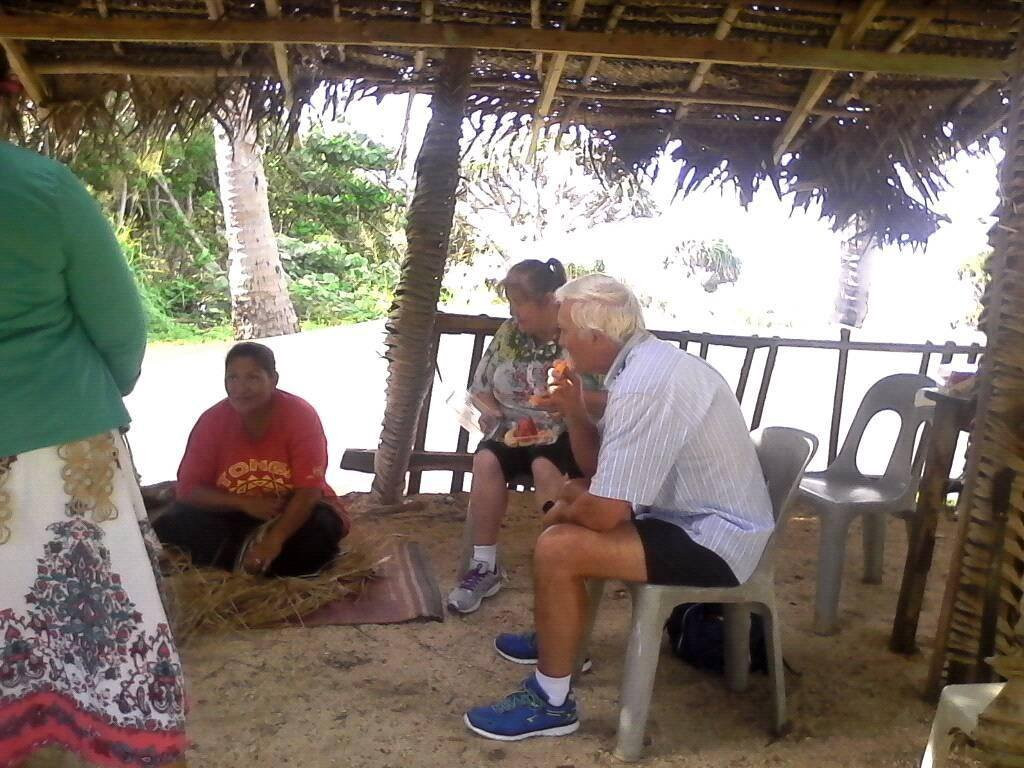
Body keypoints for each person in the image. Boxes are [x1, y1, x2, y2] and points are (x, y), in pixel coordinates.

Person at [464, 274, 773, 741]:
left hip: (715, 538)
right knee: (572, 517)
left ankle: (550, 700)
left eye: (566, 331)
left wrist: (562, 504)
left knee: (560, 547)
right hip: (692, 519)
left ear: (594, 335)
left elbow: (607, 514)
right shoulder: (641, 367)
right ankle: (559, 637)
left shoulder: (646, 384)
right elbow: (598, 466)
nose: (560, 340)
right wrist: (573, 410)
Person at [0, 132, 187, 763]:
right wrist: (100, 399)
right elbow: (118, 324)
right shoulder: (41, 185)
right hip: (64, 442)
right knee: (101, 617)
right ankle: (111, 735)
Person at [447, 259, 605, 614]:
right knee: (487, 458)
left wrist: (568, 402)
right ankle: (484, 566)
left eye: (521, 304)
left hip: (563, 432)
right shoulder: (509, 334)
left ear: (550, 301)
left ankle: (559, 565)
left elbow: (604, 396)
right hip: (511, 431)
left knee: (546, 467)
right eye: (511, 304)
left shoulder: (576, 336)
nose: (514, 312)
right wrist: (490, 412)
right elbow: (480, 387)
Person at [154, 342, 350, 577]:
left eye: (253, 378)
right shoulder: (212, 421)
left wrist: (275, 539)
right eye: (232, 378)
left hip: (289, 513)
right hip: (232, 514)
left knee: (321, 529)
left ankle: (242, 562)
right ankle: (252, 562)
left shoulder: (300, 415)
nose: (240, 388)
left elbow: (309, 491)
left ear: (274, 379)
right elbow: (188, 490)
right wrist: (243, 503)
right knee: (173, 523)